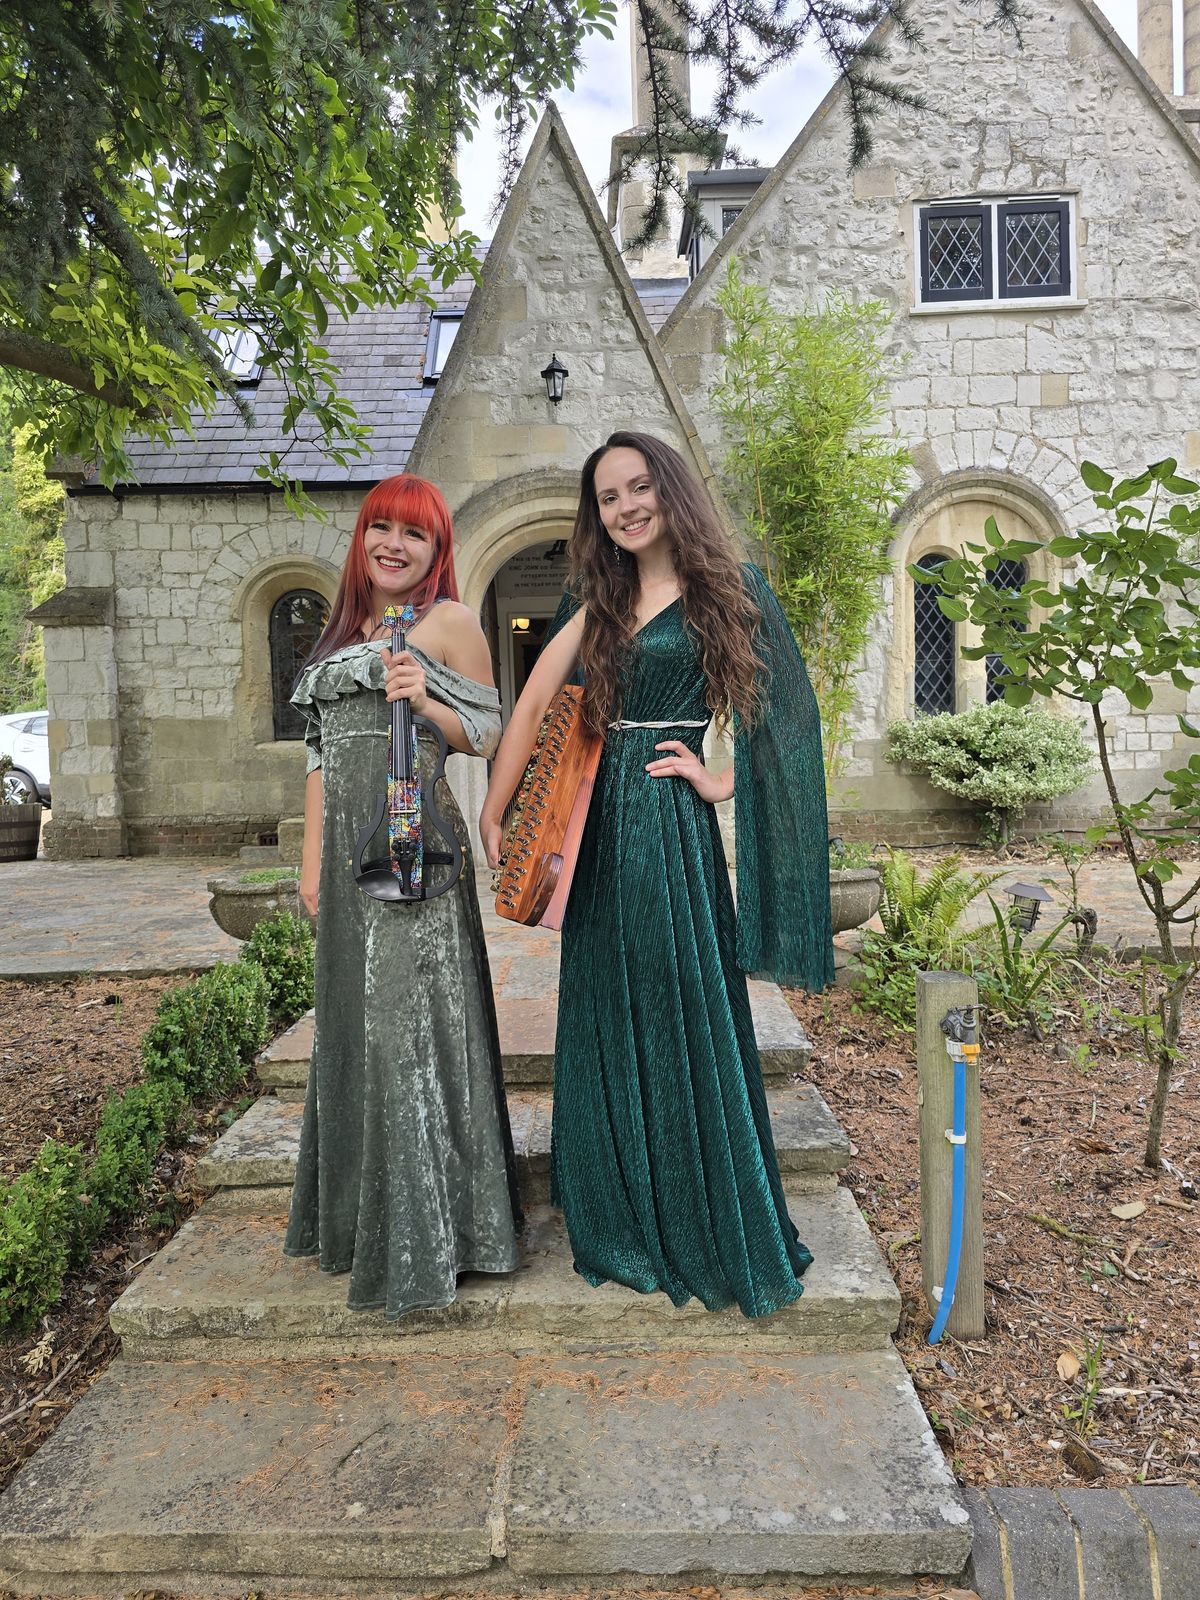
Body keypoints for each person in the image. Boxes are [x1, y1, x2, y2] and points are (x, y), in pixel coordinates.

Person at [480, 431, 833, 1318]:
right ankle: (621, 1207)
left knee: (684, 998)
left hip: (672, 826)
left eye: (638, 488)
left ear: (669, 490)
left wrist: (721, 779)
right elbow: (535, 700)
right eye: (608, 497)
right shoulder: (594, 597)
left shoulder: (731, 588)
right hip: (597, 828)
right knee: (607, 998)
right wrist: (496, 804)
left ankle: (698, 1205)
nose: (626, 507)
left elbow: (788, 717)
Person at [284, 473, 522, 1318]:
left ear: (437, 549)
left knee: (408, 1031)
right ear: (362, 539)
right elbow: (318, 756)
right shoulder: (340, 631)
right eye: (380, 527)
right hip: (344, 862)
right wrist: (310, 865)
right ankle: (363, 1225)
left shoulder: (449, 623)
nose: (394, 544)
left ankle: (436, 1232)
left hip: (412, 849)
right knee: (357, 1027)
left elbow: (488, 732)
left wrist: (427, 702)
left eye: (414, 533)